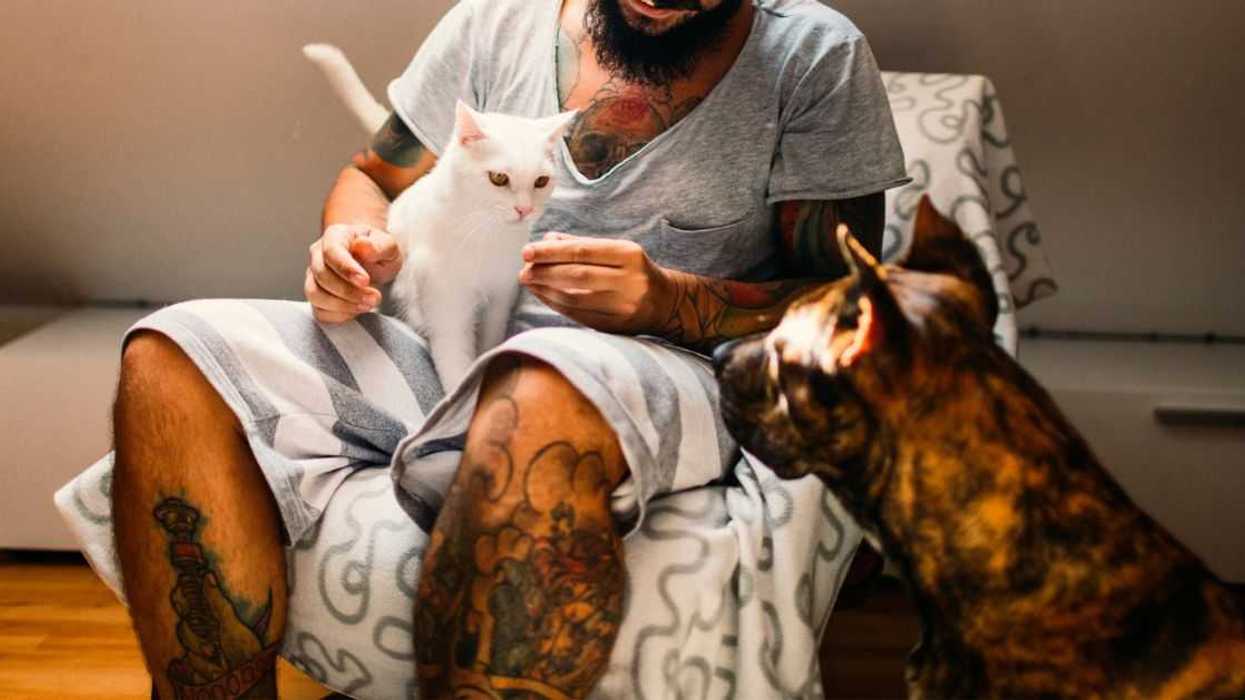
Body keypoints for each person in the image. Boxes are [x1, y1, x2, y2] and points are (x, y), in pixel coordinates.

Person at [108, 0, 907, 697]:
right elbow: (376, 180)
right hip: (449, 348)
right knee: (171, 356)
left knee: (536, 390)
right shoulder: (491, 21)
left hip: (672, 366)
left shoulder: (813, 55)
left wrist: (675, 300)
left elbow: (847, 299)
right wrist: (350, 245)